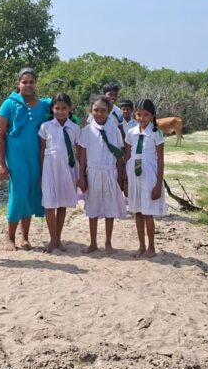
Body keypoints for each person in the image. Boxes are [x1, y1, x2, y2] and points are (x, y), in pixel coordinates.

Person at [0, 68, 52, 251]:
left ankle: (25, 237)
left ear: (36, 84)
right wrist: (1, 164)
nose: (28, 85)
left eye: (31, 82)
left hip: (35, 157)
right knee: (18, 194)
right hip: (15, 157)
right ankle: (10, 237)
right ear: (18, 83)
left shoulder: (44, 106)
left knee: (30, 193)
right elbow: (0, 136)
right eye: (24, 82)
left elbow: (63, 111)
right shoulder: (8, 104)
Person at [77, 95, 127, 253]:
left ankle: (108, 243)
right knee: (93, 208)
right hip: (92, 173)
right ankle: (93, 243)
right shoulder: (86, 131)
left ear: (109, 111)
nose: (99, 113)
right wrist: (81, 176)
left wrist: (121, 177)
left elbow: (119, 156)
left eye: (103, 110)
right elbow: (82, 156)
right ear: (90, 110)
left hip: (110, 172)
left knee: (110, 208)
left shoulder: (114, 131)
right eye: (96, 110)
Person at [123, 99, 167, 258]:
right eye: (139, 114)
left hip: (149, 176)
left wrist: (158, 184)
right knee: (138, 212)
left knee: (148, 213)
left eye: (146, 115)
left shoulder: (156, 133)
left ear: (152, 115)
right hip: (134, 174)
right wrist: (126, 181)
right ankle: (141, 246)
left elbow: (161, 160)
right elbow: (127, 155)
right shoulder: (131, 132)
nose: (142, 118)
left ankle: (151, 247)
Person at [38, 93, 80, 253]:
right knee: (49, 204)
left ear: (70, 109)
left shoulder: (75, 128)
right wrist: (41, 172)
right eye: (57, 108)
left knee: (62, 204)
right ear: (52, 109)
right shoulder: (46, 127)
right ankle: (52, 239)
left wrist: (80, 174)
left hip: (67, 168)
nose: (60, 111)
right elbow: (42, 150)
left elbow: (79, 150)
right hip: (50, 168)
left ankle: (58, 239)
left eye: (64, 108)